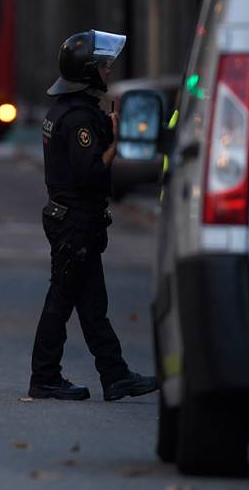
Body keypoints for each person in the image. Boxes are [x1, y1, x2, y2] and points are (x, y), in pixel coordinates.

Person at [29, 30, 157, 402]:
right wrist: (115, 145)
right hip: (75, 222)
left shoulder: (64, 110)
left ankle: (115, 376)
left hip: (72, 220)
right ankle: (45, 377)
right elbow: (92, 174)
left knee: (91, 304)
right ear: (87, 72)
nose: (108, 73)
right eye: (103, 67)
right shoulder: (79, 118)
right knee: (62, 299)